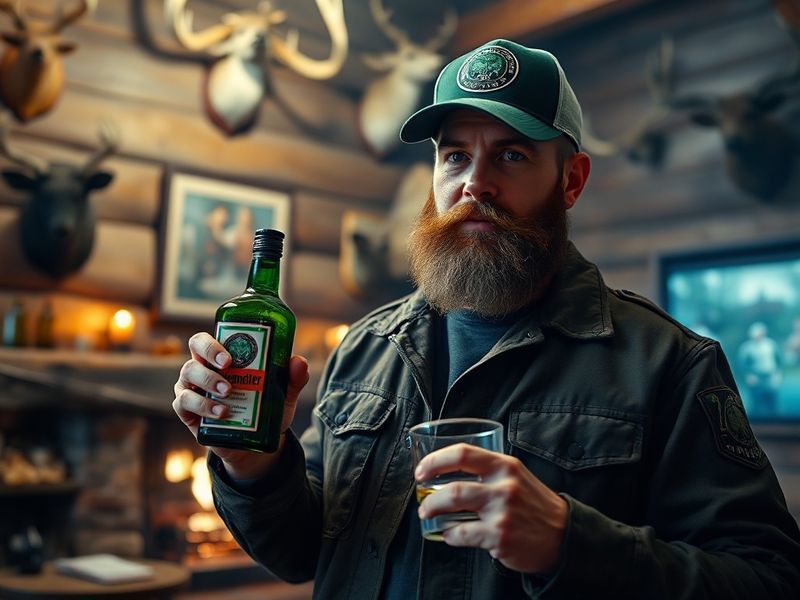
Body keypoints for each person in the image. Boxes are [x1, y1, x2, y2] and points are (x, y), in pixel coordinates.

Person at [173, 39, 800, 599]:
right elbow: (299, 552)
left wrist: (569, 543)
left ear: (571, 181)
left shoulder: (670, 363)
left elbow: (769, 577)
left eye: (512, 156)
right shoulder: (367, 346)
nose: (476, 182)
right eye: (454, 156)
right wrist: (253, 463)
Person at [737, 321, 783, 416]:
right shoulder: (747, 347)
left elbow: (779, 360)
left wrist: (777, 374)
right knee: (756, 404)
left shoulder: (771, 344)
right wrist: (748, 375)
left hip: (770, 376)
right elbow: (742, 363)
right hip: (756, 378)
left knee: (772, 403)